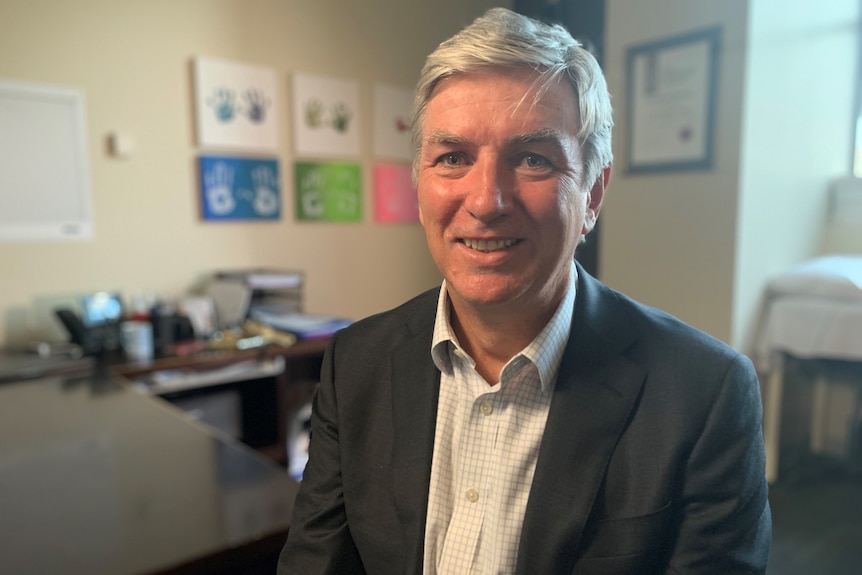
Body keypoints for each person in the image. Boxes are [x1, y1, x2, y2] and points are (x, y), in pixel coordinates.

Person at [278, 7, 771, 574]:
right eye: (453, 158)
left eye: (533, 159)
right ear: (419, 184)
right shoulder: (354, 362)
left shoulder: (705, 396)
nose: (487, 200)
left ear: (592, 193)